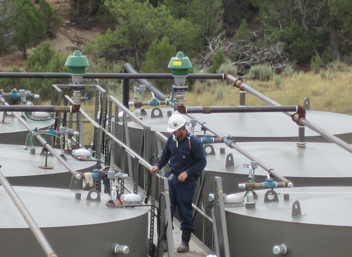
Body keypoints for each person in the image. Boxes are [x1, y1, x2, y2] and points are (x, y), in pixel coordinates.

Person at [150, 114, 207, 253]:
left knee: (185, 211)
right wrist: (158, 165)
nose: (173, 133)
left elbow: (202, 162)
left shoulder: (194, 142)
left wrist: (187, 172)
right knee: (165, 208)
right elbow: (166, 154)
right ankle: (164, 240)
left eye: (175, 131)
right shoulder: (172, 138)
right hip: (172, 178)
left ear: (182, 128)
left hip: (186, 183)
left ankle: (185, 242)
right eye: (172, 132)